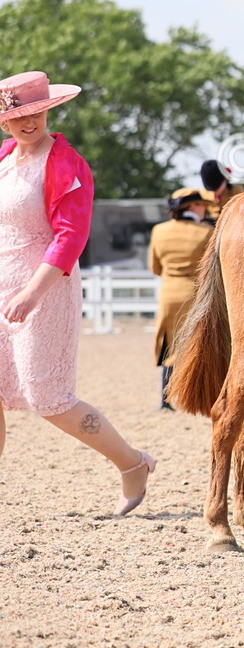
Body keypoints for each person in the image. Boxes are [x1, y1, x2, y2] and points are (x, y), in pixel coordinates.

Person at [0, 71, 156, 516]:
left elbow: (71, 235)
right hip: (0, 282)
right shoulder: (5, 156)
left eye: (38, 112)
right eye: (20, 115)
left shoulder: (66, 162)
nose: (30, 122)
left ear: (49, 110)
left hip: (44, 288)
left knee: (49, 399)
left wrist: (32, 292)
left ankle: (132, 463)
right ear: (5, 121)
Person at [148, 187, 214, 410]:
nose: (205, 209)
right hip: (194, 294)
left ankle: (165, 400)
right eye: (202, 205)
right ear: (192, 207)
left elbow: (154, 267)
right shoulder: (205, 232)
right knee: (196, 343)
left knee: (168, 344)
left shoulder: (159, 230)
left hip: (168, 292)